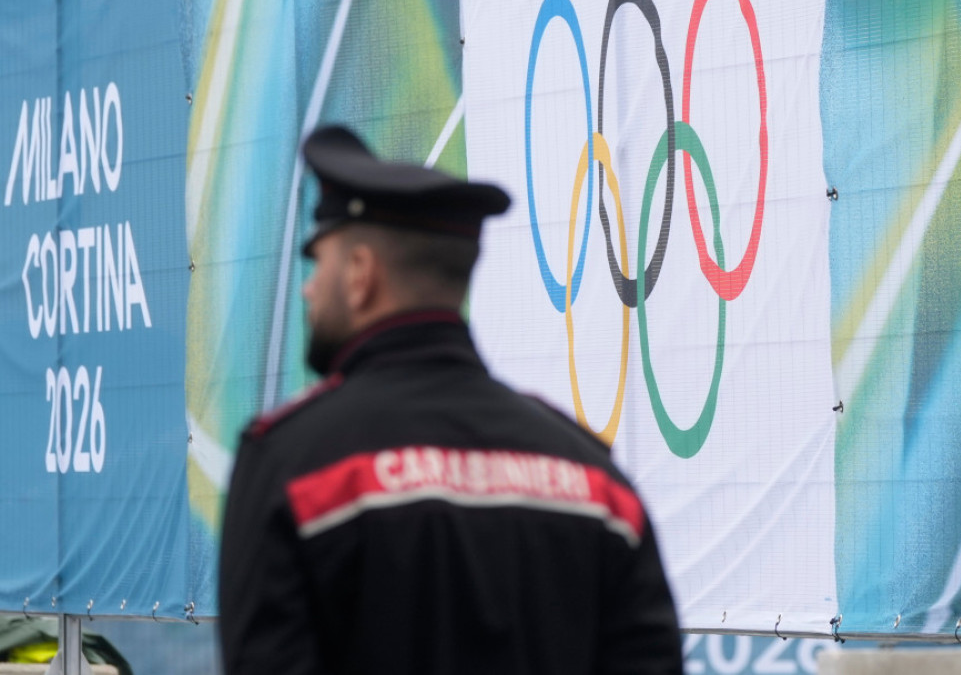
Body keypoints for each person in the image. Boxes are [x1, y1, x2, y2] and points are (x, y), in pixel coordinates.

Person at [218, 125, 683, 675]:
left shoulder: (292, 466)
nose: (308, 288)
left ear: (362, 275)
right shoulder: (594, 482)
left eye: (319, 263)